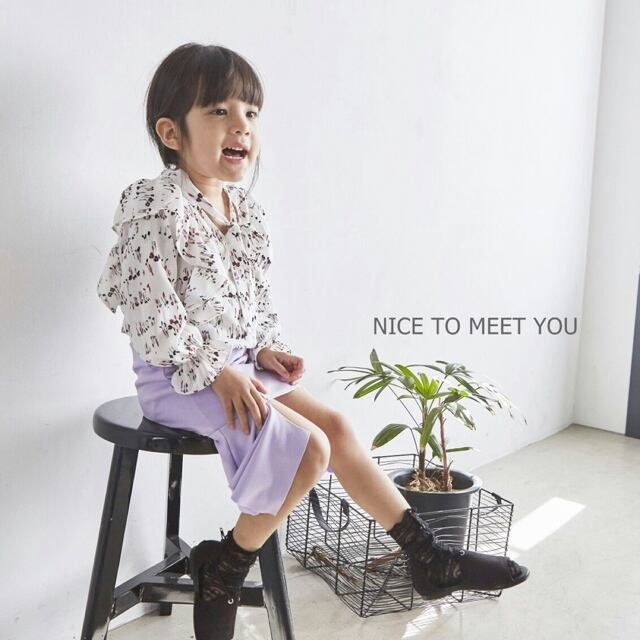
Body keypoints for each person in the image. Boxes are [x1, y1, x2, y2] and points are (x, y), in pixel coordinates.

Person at [97, 42, 530, 640]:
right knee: (310, 449)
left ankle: (427, 555)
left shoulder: (244, 212)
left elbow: (250, 304)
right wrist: (215, 370)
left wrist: (264, 349)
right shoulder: (154, 203)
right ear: (171, 132)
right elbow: (150, 310)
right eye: (219, 111)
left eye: (250, 113)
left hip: (238, 366)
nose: (241, 126)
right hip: (178, 377)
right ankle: (227, 568)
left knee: (338, 429)